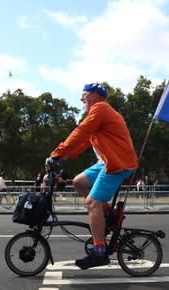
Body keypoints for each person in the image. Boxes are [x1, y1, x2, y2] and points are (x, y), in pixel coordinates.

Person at [47, 82, 137, 270]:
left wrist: (56, 153)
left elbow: (81, 132)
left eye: (84, 96)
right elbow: (83, 142)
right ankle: (107, 214)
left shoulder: (100, 108)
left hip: (117, 163)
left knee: (91, 203)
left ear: (95, 95)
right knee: (79, 182)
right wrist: (61, 157)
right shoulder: (99, 114)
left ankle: (99, 252)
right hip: (106, 161)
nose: (81, 100)